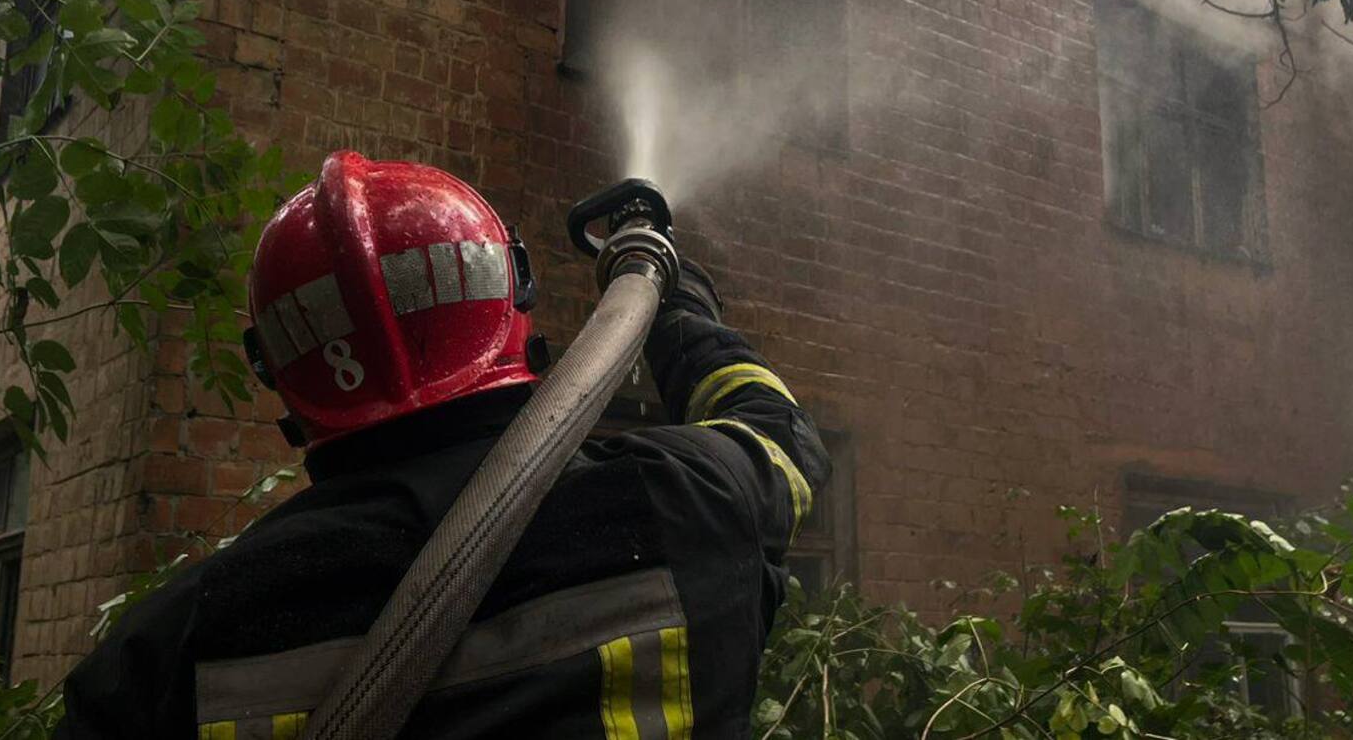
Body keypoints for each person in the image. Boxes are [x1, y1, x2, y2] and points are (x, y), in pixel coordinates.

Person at [54, 151, 829, 739]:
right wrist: (671, 298)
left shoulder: (168, 653)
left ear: (281, 373)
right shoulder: (685, 504)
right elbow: (776, 431)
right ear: (510, 298)